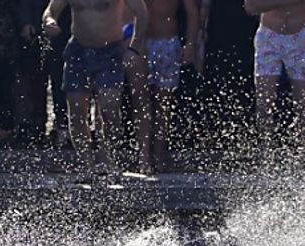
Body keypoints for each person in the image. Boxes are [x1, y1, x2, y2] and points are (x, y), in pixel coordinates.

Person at [43, 0, 149, 174]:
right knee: (76, 111)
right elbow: (51, 10)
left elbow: (141, 11)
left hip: (110, 51)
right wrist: (49, 21)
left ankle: (107, 157)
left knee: (109, 108)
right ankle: (87, 165)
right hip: (78, 51)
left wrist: (134, 47)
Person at [243, 0, 305, 143]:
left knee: (303, 103)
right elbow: (250, 6)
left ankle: (303, 148)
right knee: (264, 100)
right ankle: (266, 147)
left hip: (301, 37)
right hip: (269, 36)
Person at [141, 0, 197, 170]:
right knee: (141, 103)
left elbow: (193, 12)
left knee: (163, 104)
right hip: (141, 43)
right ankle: (144, 155)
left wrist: (190, 44)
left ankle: (158, 155)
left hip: (168, 43)